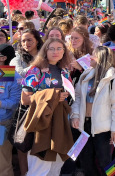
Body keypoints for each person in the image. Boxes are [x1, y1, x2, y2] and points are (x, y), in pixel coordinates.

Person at [21, 38, 73, 176]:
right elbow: (25, 99)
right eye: (51, 48)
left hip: (60, 123)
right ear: (45, 50)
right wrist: (53, 96)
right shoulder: (35, 70)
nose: (55, 52)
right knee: (39, 167)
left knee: (55, 166)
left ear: (64, 52)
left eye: (59, 49)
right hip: (40, 123)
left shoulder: (64, 71)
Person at [71, 46, 115, 176]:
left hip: (104, 129)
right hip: (84, 126)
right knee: (85, 161)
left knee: (105, 162)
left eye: (93, 55)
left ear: (101, 58)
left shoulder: (114, 79)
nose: (89, 57)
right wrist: (75, 115)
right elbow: (77, 97)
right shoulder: (86, 74)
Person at [0, 44, 22, 176]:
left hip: (3, 123)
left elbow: (15, 103)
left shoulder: (11, 74)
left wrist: (1, 103)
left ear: (3, 58)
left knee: (2, 162)